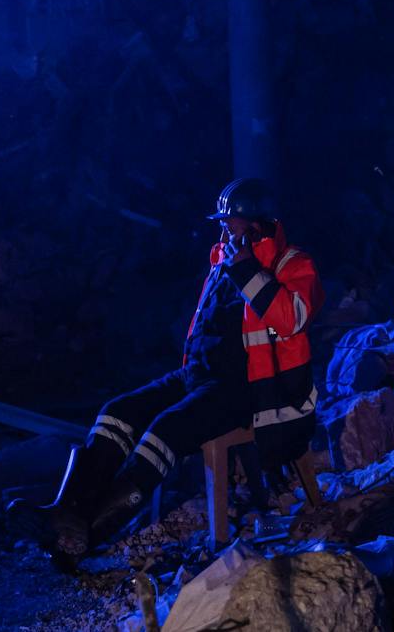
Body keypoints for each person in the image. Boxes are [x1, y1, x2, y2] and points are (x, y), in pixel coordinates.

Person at [28, 178, 321, 564]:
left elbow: (290, 319)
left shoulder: (292, 264)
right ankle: (65, 513)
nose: (223, 230)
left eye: (230, 224)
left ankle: (88, 532)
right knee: (117, 413)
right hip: (198, 376)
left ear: (256, 225)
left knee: (164, 432)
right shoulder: (222, 258)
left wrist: (248, 268)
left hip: (247, 388)